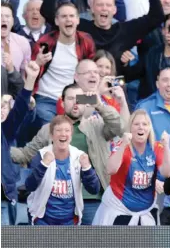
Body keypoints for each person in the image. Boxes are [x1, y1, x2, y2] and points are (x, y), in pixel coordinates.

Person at [11, 83, 124, 225]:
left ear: (86, 104)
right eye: (71, 98)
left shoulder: (96, 126)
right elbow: (25, 155)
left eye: (80, 99)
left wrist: (99, 105)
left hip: (92, 198)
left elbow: (119, 127)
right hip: (56, 203)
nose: (76, 102)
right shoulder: (48, 129)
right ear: (62, 102)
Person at [92, 110, 170, 225]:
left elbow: (167, 172)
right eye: (136, 124)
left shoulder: (156, 147)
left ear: (149, 128)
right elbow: (110, 169)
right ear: (130, 128)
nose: (141, 127)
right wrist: (124, 144)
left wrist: (166, 147)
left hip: (146, 209)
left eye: (144, 124)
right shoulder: (122, 145)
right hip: (118, 207)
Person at [25, 115, 100, 225]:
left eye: (67, 130)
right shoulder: (41, 155)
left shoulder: (79, 156)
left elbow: (94, 189)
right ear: (51, 135)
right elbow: (29, 186)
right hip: (43, 220)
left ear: (71, 134)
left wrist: (87, 168)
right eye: (58, 130)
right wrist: (43, 165)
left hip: (69, 221)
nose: (63, 134)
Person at [1, 61, 40, 225]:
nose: (2, 109)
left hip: (5, 199)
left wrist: (30, 79)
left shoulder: (5, 131)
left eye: (4, 106)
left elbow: (20, 109)